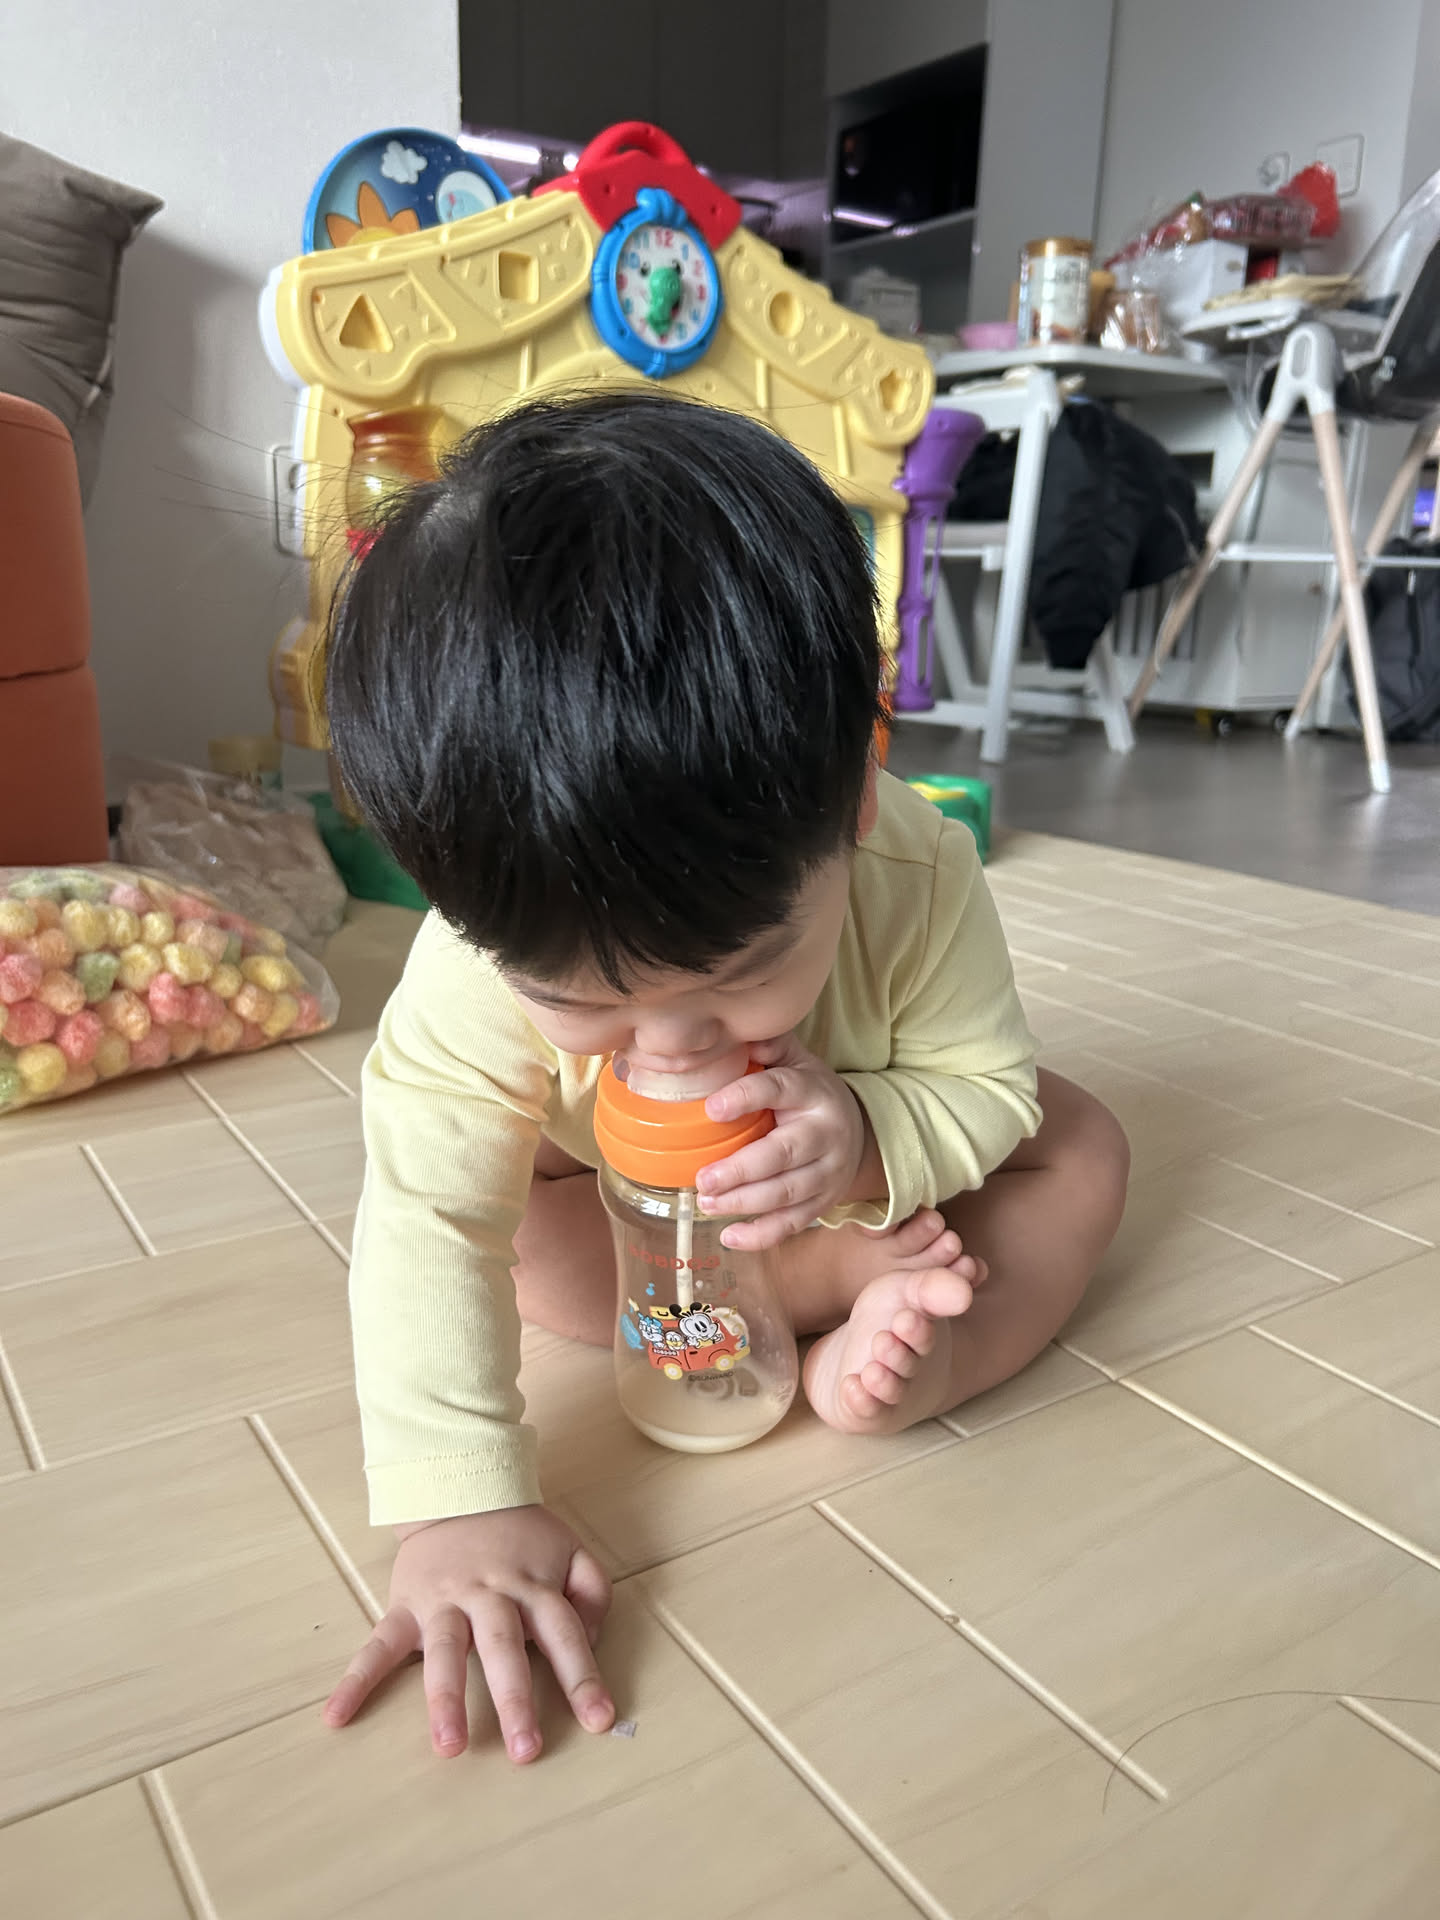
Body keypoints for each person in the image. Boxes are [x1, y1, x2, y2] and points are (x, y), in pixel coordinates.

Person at [321, 390, 1129, 1767]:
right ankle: (846, 1282)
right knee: (517, 1229)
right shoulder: (473, 965)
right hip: (627, 1223)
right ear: (457, 901)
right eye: (586, 1002)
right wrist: (458, 1502)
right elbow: (426, 1217)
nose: (676, 1046)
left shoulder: (913, 868)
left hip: (860, 1168)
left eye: (743, 972)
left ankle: (935, 1355)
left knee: (1086, 1147)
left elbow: (984, 1082)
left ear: (852, 800)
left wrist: (865, 1138)